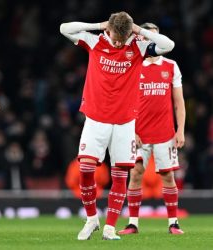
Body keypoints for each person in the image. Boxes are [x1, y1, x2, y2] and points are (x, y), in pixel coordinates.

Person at [60, 11, 175, 240]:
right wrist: (100, 24)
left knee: (120, 175)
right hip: (95, 118)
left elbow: (168, 45)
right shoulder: (95, 40)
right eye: (115, 37)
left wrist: (139, 31)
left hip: (124, 122)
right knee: (85, 170)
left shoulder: (138, 47)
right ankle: (92, 219)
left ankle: (110, 227)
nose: (118, 42)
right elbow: (64, 28)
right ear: (108, 30)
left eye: (122, 38)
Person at [118, 23, 185, 235]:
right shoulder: (133, 65)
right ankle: (133, 223)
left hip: (165, 132)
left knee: (167, 177)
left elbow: (179, 102)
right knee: (136, 174)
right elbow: (124, 102)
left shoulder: (171, 66)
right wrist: (131, 130)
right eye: (149, 37)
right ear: (142, 40)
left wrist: (180, 129)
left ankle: (173, 223)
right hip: (139, 133)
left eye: (156, 37)